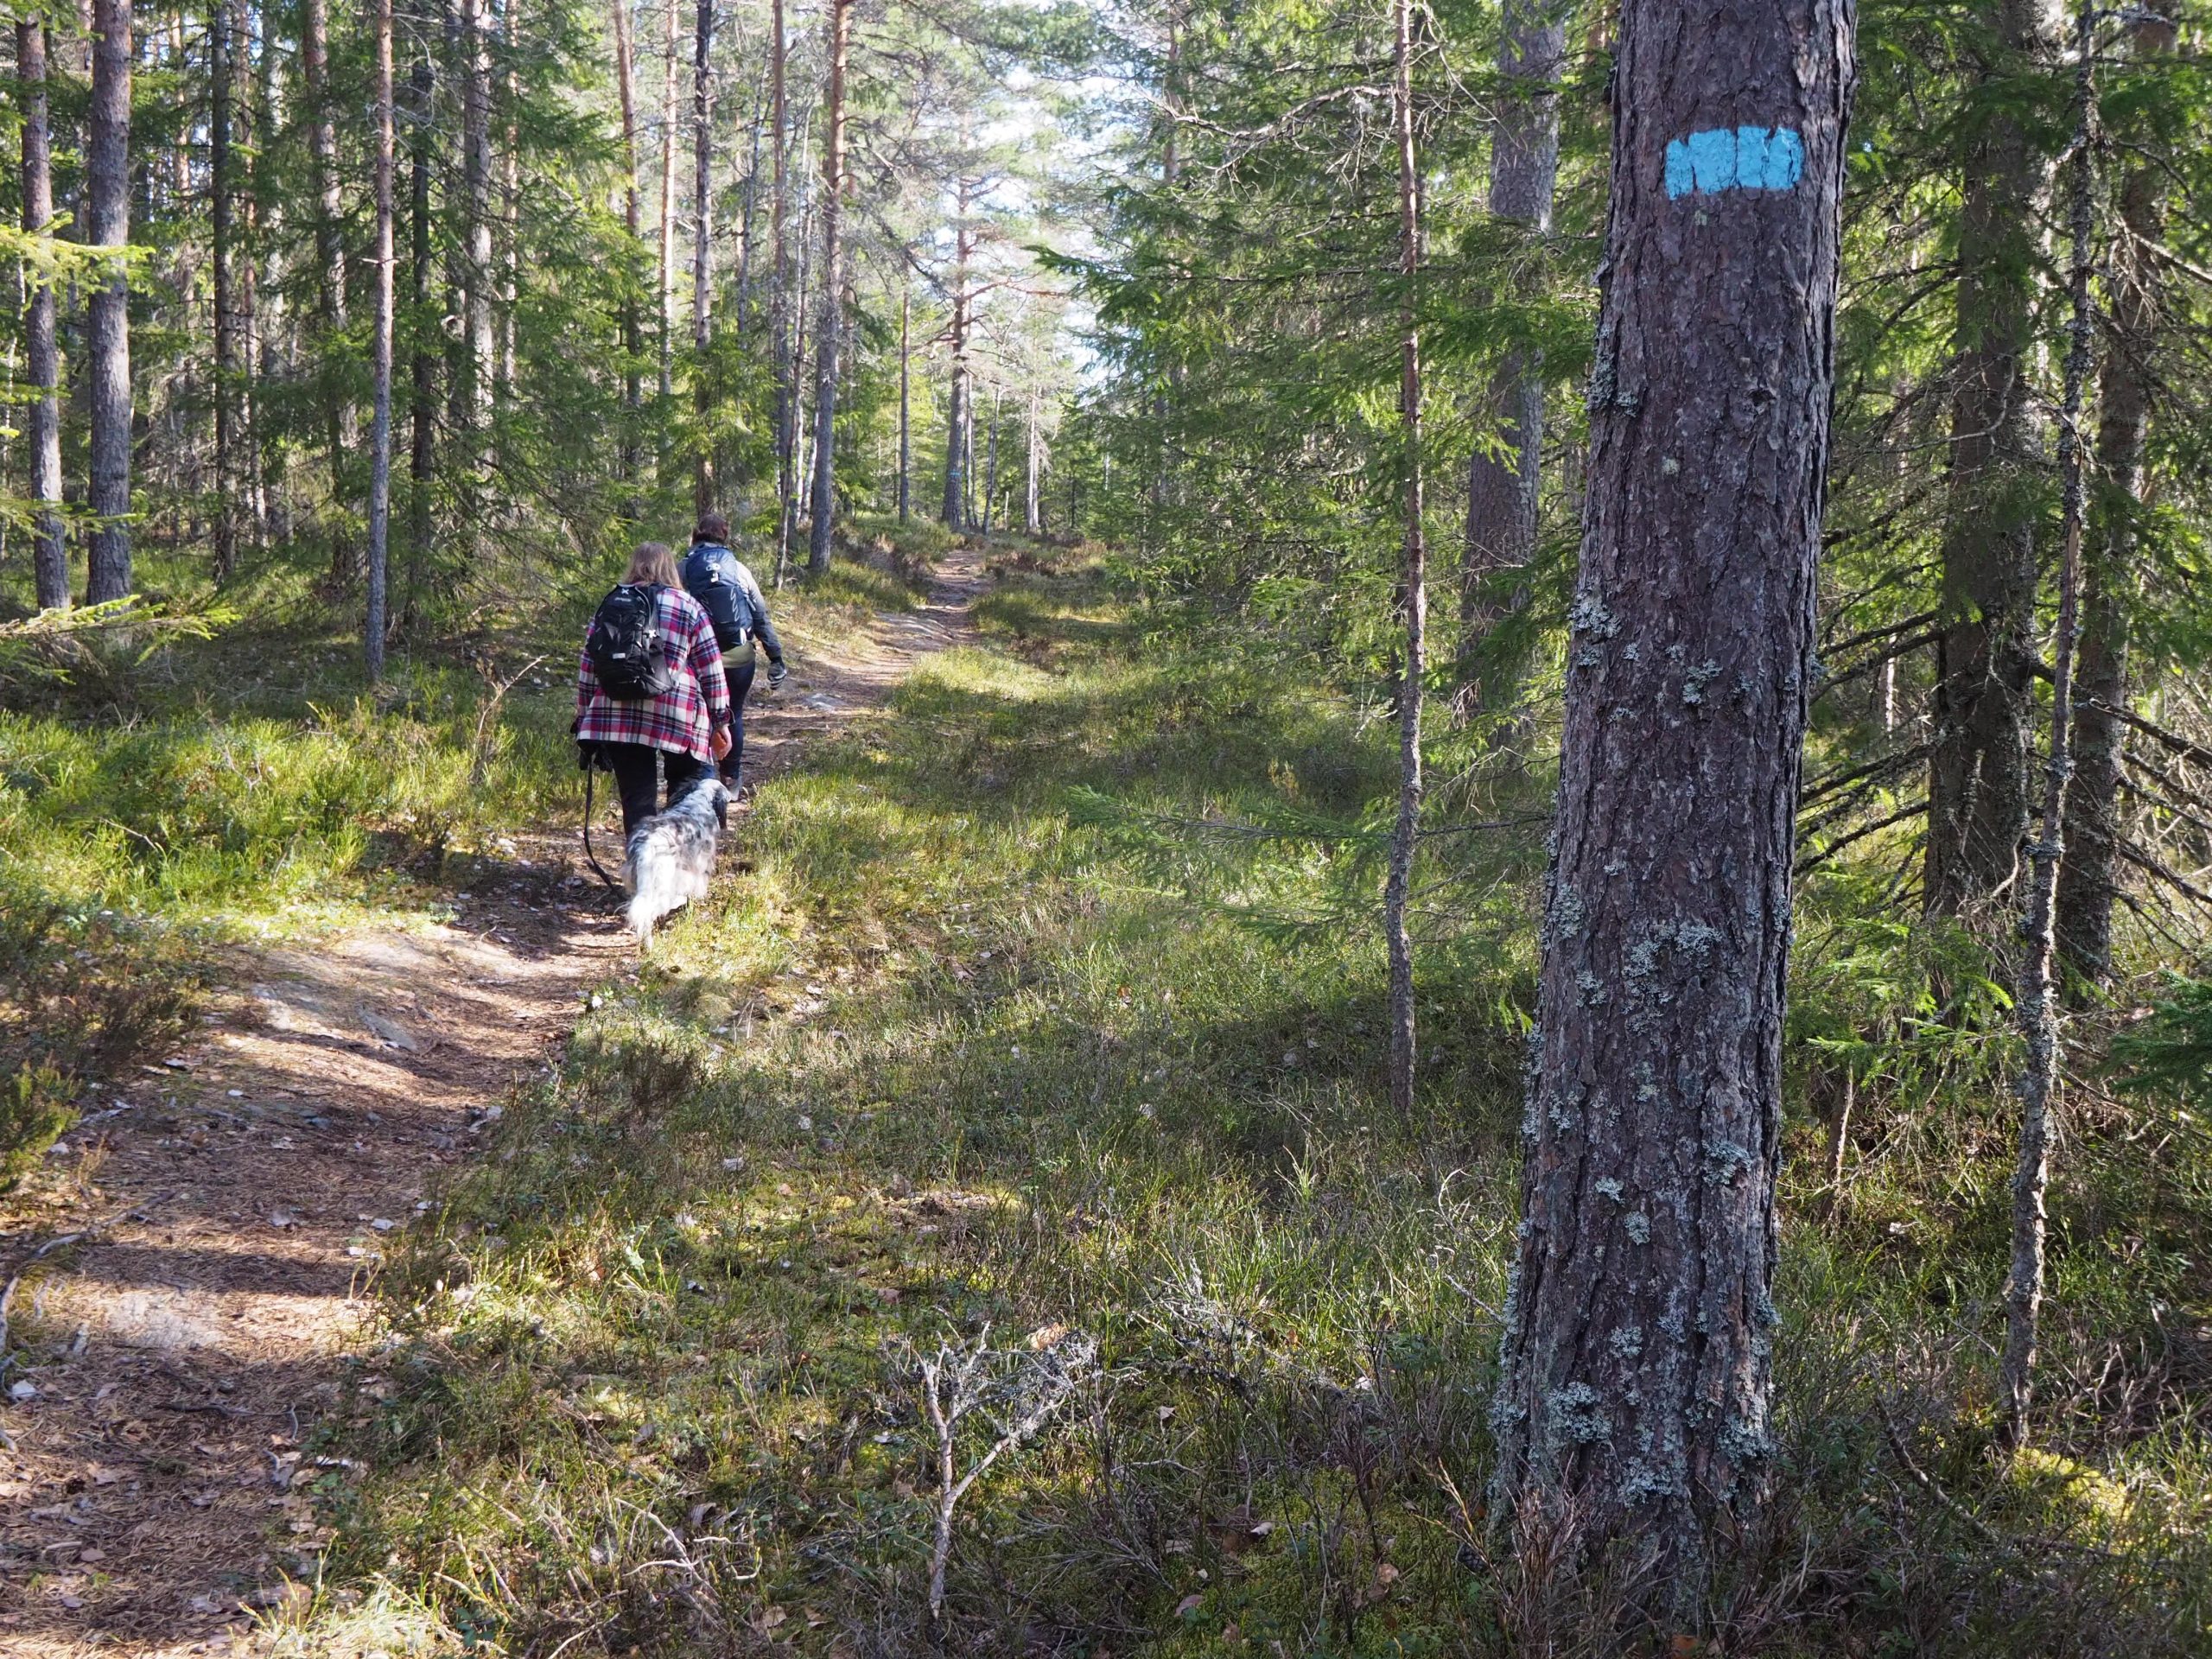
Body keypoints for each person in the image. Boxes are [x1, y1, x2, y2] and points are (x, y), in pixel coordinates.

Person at [576, 541, 734, 837]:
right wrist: (721, 720)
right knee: (684, 792)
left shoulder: (611, 603)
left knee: (637, 800)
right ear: (670, 568)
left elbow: (589, 664)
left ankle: (641, 875)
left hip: (617, 713)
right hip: (678, 714)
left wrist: (585, 716)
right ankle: (677, 865)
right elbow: (711, 669)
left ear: (634, 566)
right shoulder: (688, 606)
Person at [678, 509, 787, 791]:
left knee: (698, 716)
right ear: (725, 537)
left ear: (695, 535)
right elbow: (760, 615)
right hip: (739, 657)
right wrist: (775, 657)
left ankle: (699, 780)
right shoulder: (738, 569)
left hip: (698, 659)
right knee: (733, 713)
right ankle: (731, 779)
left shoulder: (684, 568)